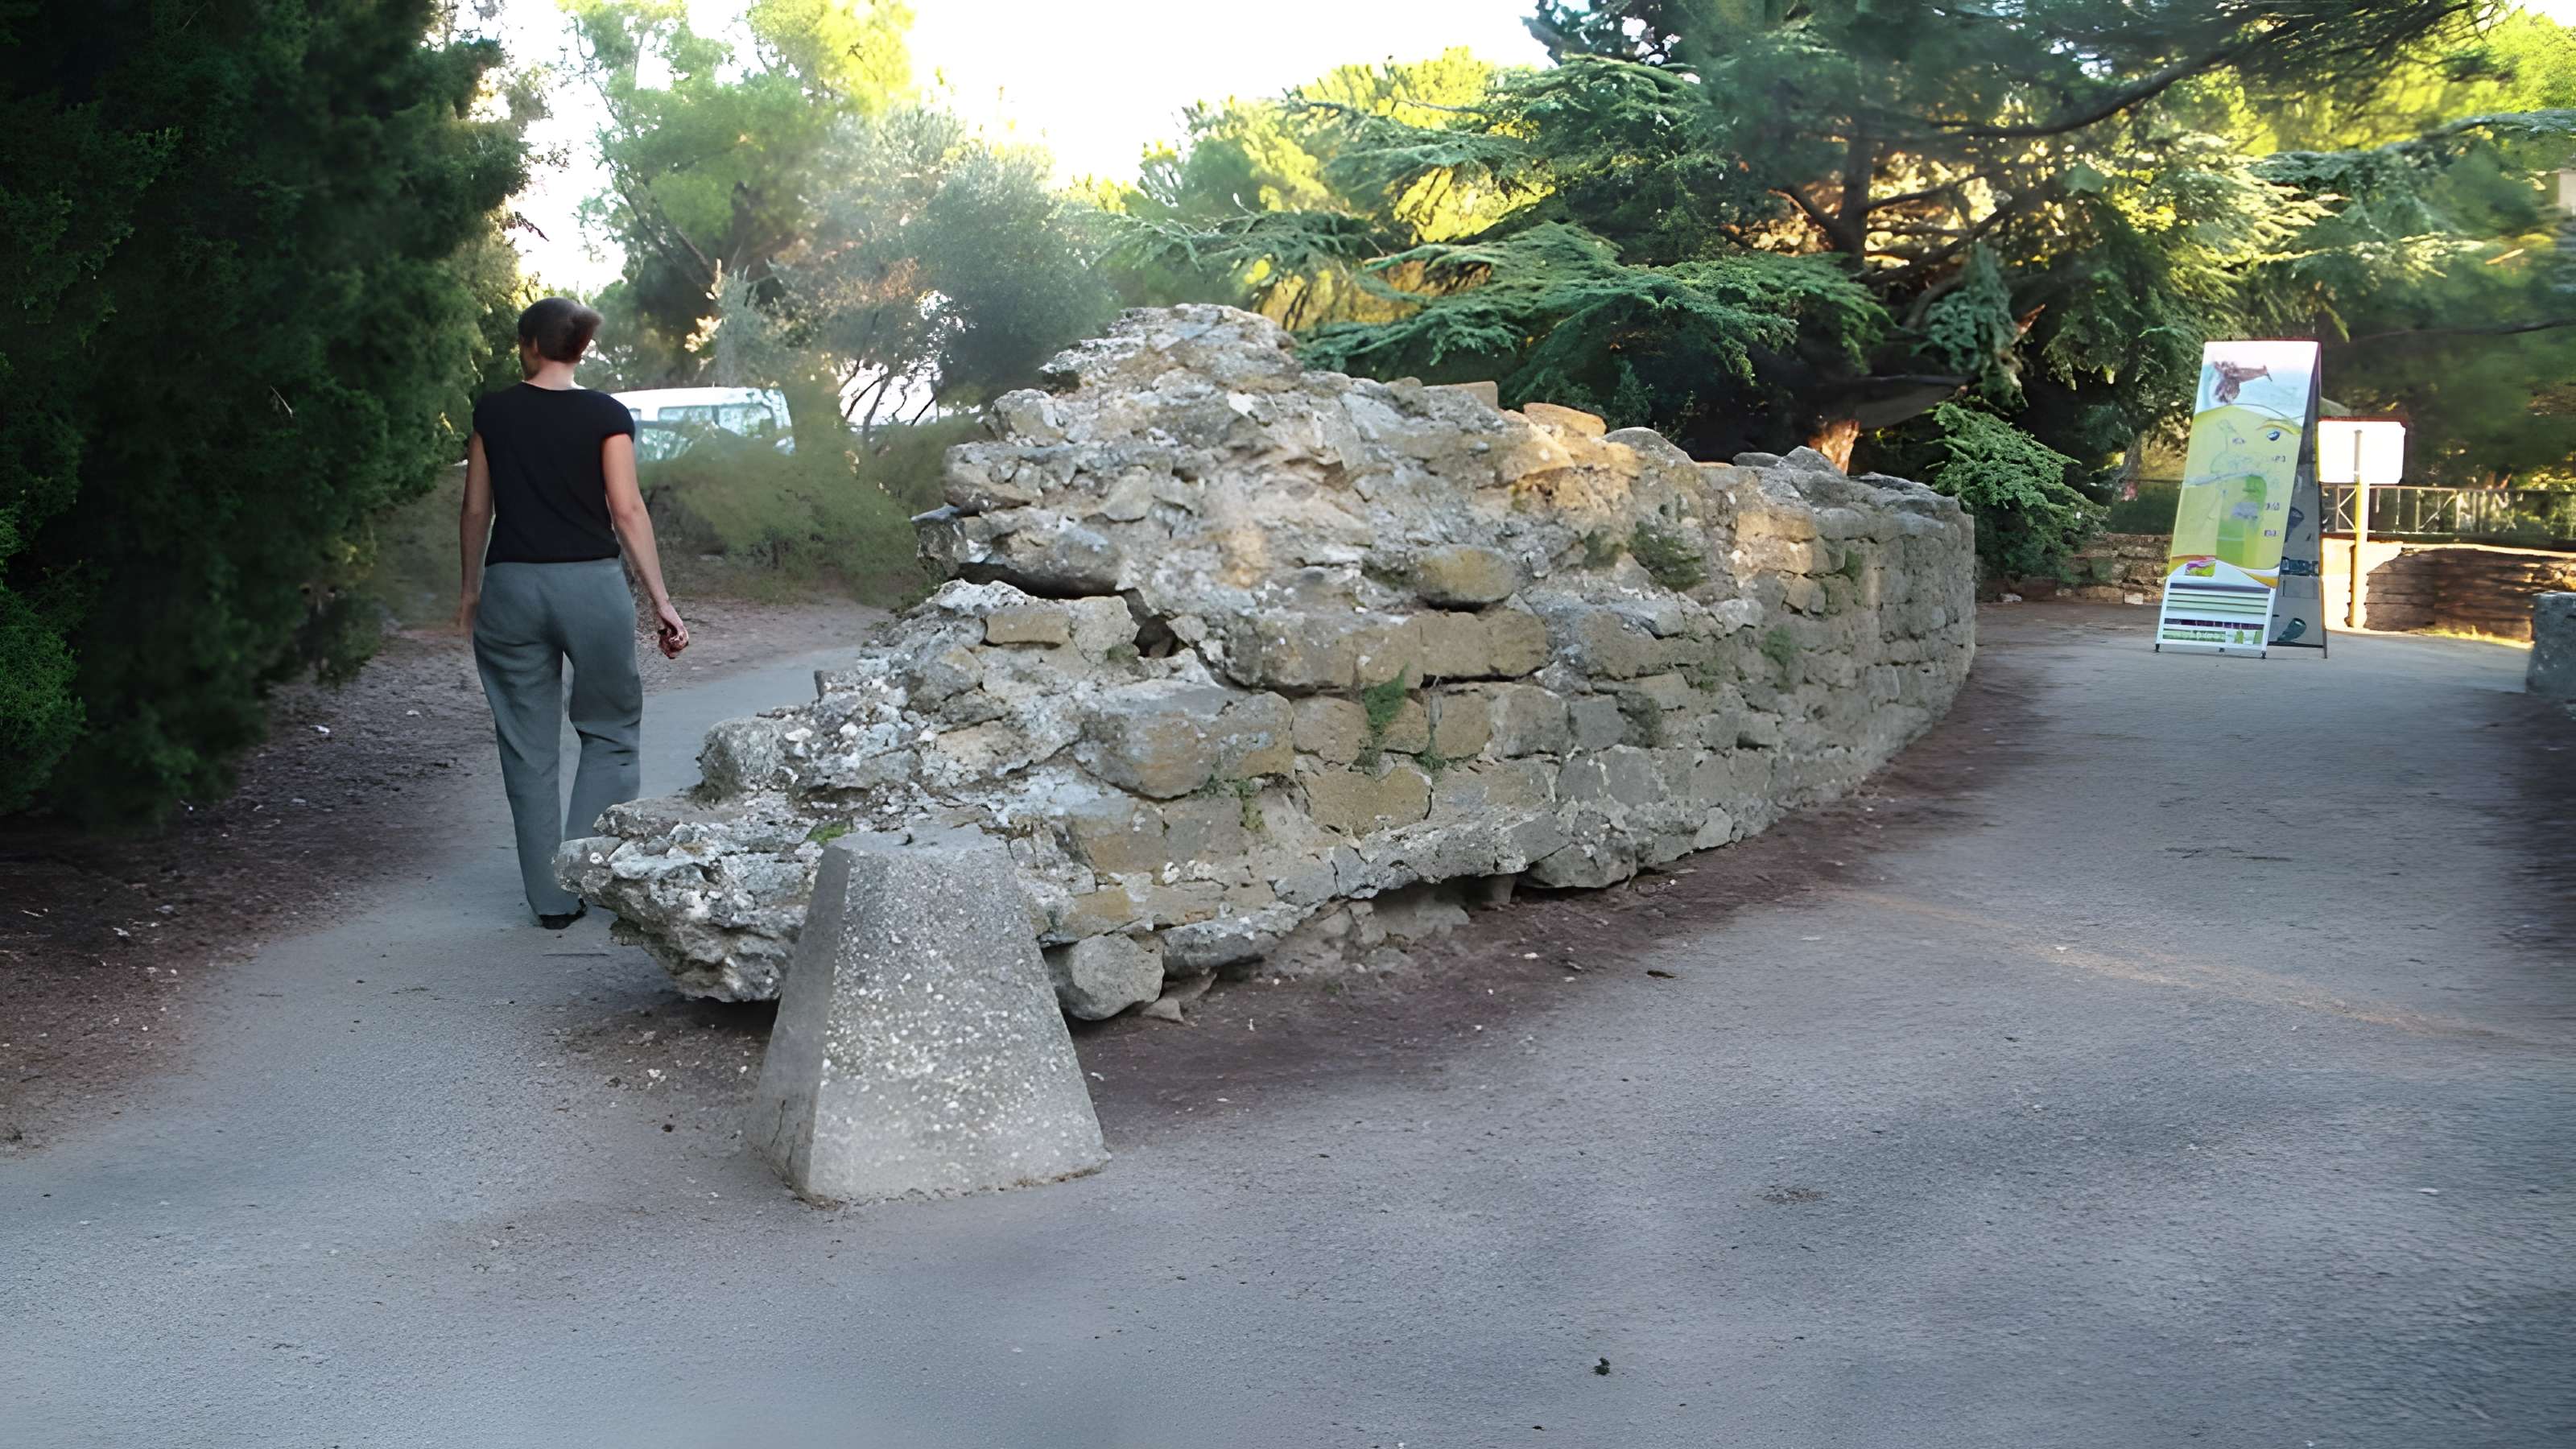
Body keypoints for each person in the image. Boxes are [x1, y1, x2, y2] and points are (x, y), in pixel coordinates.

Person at [456, 298, 688, 928]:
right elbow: (627, 510)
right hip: (591, 587)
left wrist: (471, 589)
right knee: (610, 731)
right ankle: (583, 871)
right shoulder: (605, 415)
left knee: (526, 745)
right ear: (580, 348)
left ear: (530, 344)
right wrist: (661, 601)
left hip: (511, 586)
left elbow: (475, 510)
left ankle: (551, 901)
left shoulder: (493, 412)